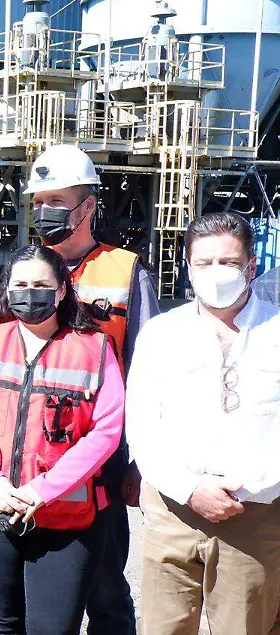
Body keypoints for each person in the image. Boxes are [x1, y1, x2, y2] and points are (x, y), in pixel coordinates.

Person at [0, 244, 125, 635]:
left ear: (62, 290)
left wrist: (44, 490)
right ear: (7, 289)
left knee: (53, 628)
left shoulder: (94, 349)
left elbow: (107, 431)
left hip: (65, 517)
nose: (30, 293)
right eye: (21, 284)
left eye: (41, 285)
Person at [24, 143, 156, 635]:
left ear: (88, 206)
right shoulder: (26, 271)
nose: (45, 211)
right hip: (36, 448)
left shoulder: (126, 271)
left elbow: (148, 369)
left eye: (56, 200)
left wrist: (140, 459)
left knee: (104, 586)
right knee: (38, 584)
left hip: (102, 453)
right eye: (39, 202)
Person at [128, 212, 280, 635]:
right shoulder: (161, 333)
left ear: (251, 265)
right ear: (189, 267)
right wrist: (190, 489)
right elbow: (141, 425)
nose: (217, 272)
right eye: (205, 262)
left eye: (228, 262)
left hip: (254, 515)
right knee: (164, 627)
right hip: (173, 511)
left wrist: (250, 488)